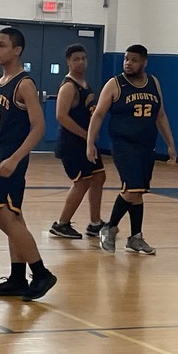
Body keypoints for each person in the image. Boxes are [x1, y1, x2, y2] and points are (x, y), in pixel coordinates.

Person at [0, 27, 57, 301]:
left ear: (17, 50)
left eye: (1, 45)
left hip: (11, 160)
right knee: (13, 218)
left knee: (5, 219)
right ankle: (17, 277)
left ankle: (41, 274)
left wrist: (15, 159)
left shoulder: (24, 84)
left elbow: (39, 128)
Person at [86, 44, 176, 255]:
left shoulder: (153, 83)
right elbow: (98, 114)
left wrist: (171, 144)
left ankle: (135, 238)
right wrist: (90, 141)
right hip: (123, 144)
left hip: (146, 145)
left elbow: (160, 115)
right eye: (126, 59)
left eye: (134, 60)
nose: (128, 63)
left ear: (144, 62)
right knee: (132, 188)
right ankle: (109, 228)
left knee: (138, 193)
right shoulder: (115, 84)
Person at [49, 44, 107, 240]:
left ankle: (95, 223)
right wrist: (85, 135)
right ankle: (62, 223)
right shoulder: (68, 86)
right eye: (76, 59)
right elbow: (61, 116)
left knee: (99, 177)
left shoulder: (84, 83)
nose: (81, 62)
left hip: (87, 142)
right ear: (68, 62)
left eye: (83, 58)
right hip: (73, 144)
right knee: (82, 182)